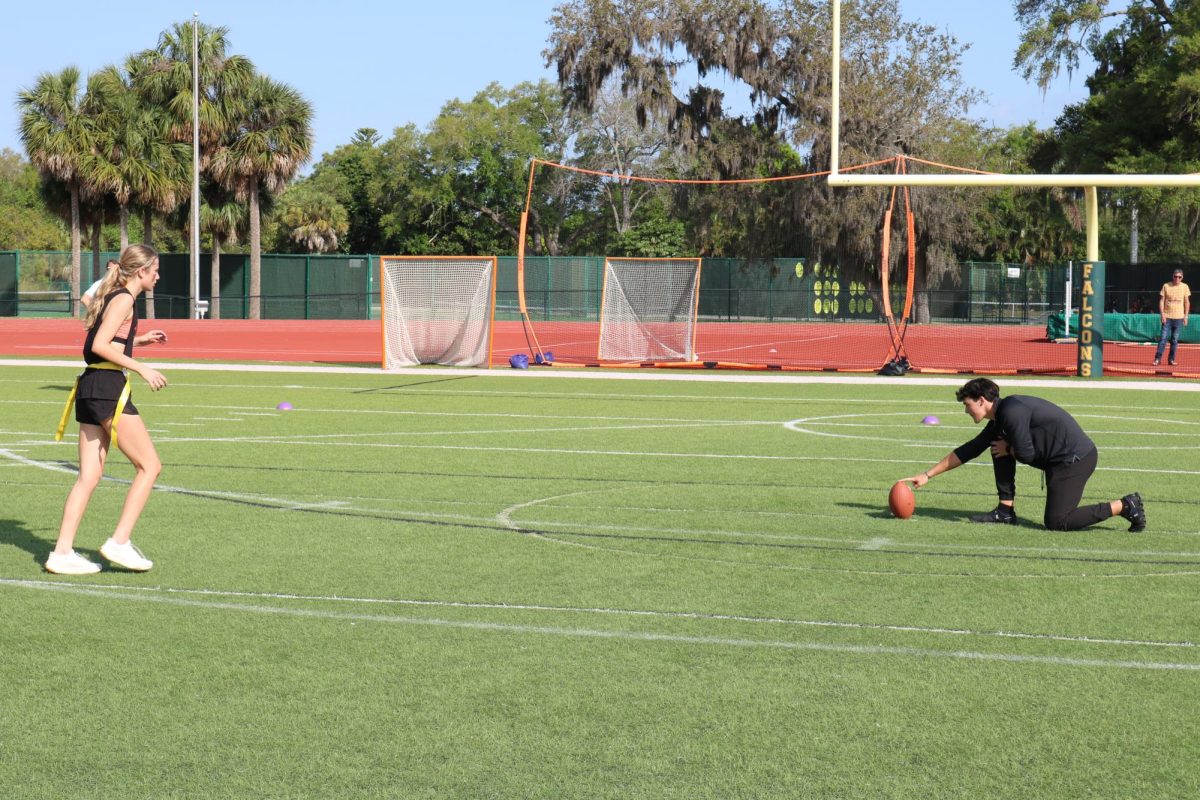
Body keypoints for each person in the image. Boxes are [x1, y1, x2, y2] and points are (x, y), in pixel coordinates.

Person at [46, 245, 169, 575]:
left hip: (90, 387)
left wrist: (139, 340)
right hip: (107, 389)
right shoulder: (125, 298)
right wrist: (142, 368)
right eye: (155, 269)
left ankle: (61, 553)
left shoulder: (115, 296)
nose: (158, 275)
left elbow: (107, 338)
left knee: (89, 476)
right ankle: (119, 541)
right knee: (150, 466)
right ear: (141, 271)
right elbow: (99, 346)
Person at [900, 378, 1146, 532]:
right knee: (997, 444)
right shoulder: (1000, 416)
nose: (966, 410)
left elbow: (1027, 455)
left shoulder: (1012, 411)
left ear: (982, 400)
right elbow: (970, 449)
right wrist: (927, 475)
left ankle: (1125, 505)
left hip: (1075, 461)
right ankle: (1005, 511)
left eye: (967, 404)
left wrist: (1009, 448)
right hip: (1057, 461)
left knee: (1057, 522)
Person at [1154, 268, 1191, 366]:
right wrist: (1162, 315)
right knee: (1163, 338)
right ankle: (1157, 359)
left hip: (1179, 318)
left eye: (1179, 277)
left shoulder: (1185, 287)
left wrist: (1186, 316)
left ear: (1182, 277)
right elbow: (1161, 301)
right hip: (1167, 317)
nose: (1177, 279)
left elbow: (1187, 302)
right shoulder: (1166, 286)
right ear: (1172, 276)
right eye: (1175, 276)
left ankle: (1171, 360)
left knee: (1174, 340)